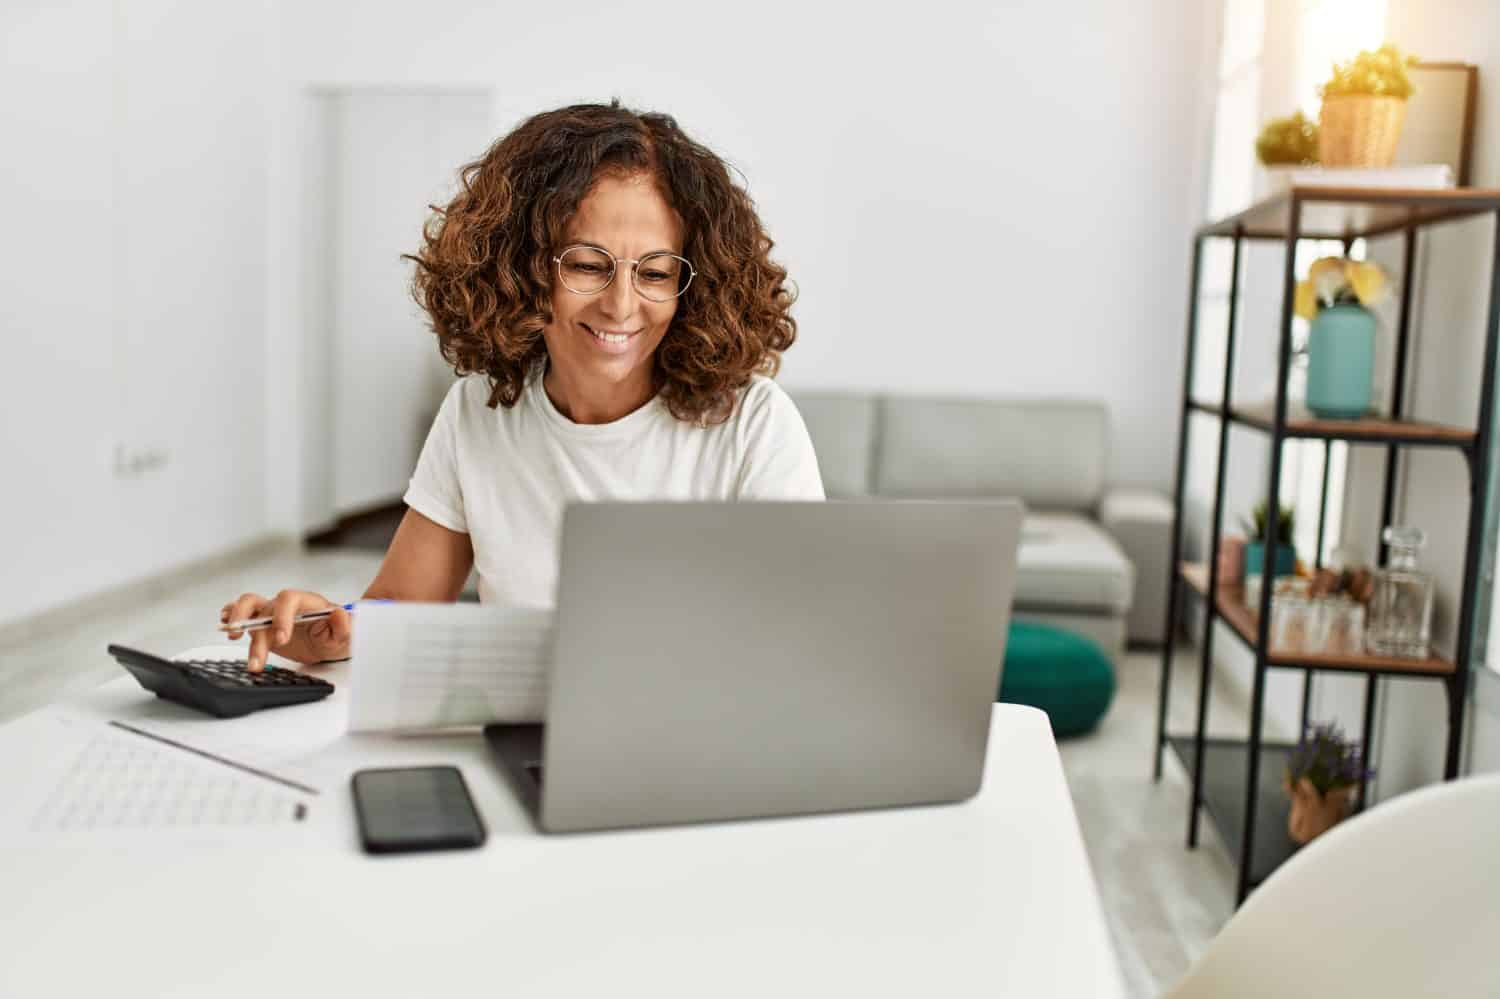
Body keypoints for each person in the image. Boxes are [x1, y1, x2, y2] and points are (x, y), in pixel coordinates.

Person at [222, 101, 824, 671]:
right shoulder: (479, 412)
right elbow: (401, 606)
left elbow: (801, 636)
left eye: (657, 272)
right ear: (523, 267)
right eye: (588, 265)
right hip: (519, 734)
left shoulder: (753, 423)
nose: (621, 305)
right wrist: (328, 629)